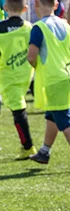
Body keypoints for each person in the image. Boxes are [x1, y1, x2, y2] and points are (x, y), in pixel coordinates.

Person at [28, 0, 70, 171]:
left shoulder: (38, 28)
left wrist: (38, 68)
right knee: (53, 115)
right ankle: (44, 152)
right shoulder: (66, 26)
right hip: (69, 75)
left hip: (54, 79)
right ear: (56, 5)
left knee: (64, 118)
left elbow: (31, 57)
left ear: (36, 5)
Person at [0, 0, 35, 159]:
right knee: (18, 107)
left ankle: (28, 146)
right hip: (27, 74)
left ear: (5, 8)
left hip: (7, 76)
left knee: (18, 111)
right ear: (25, 8)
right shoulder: (29, 28)